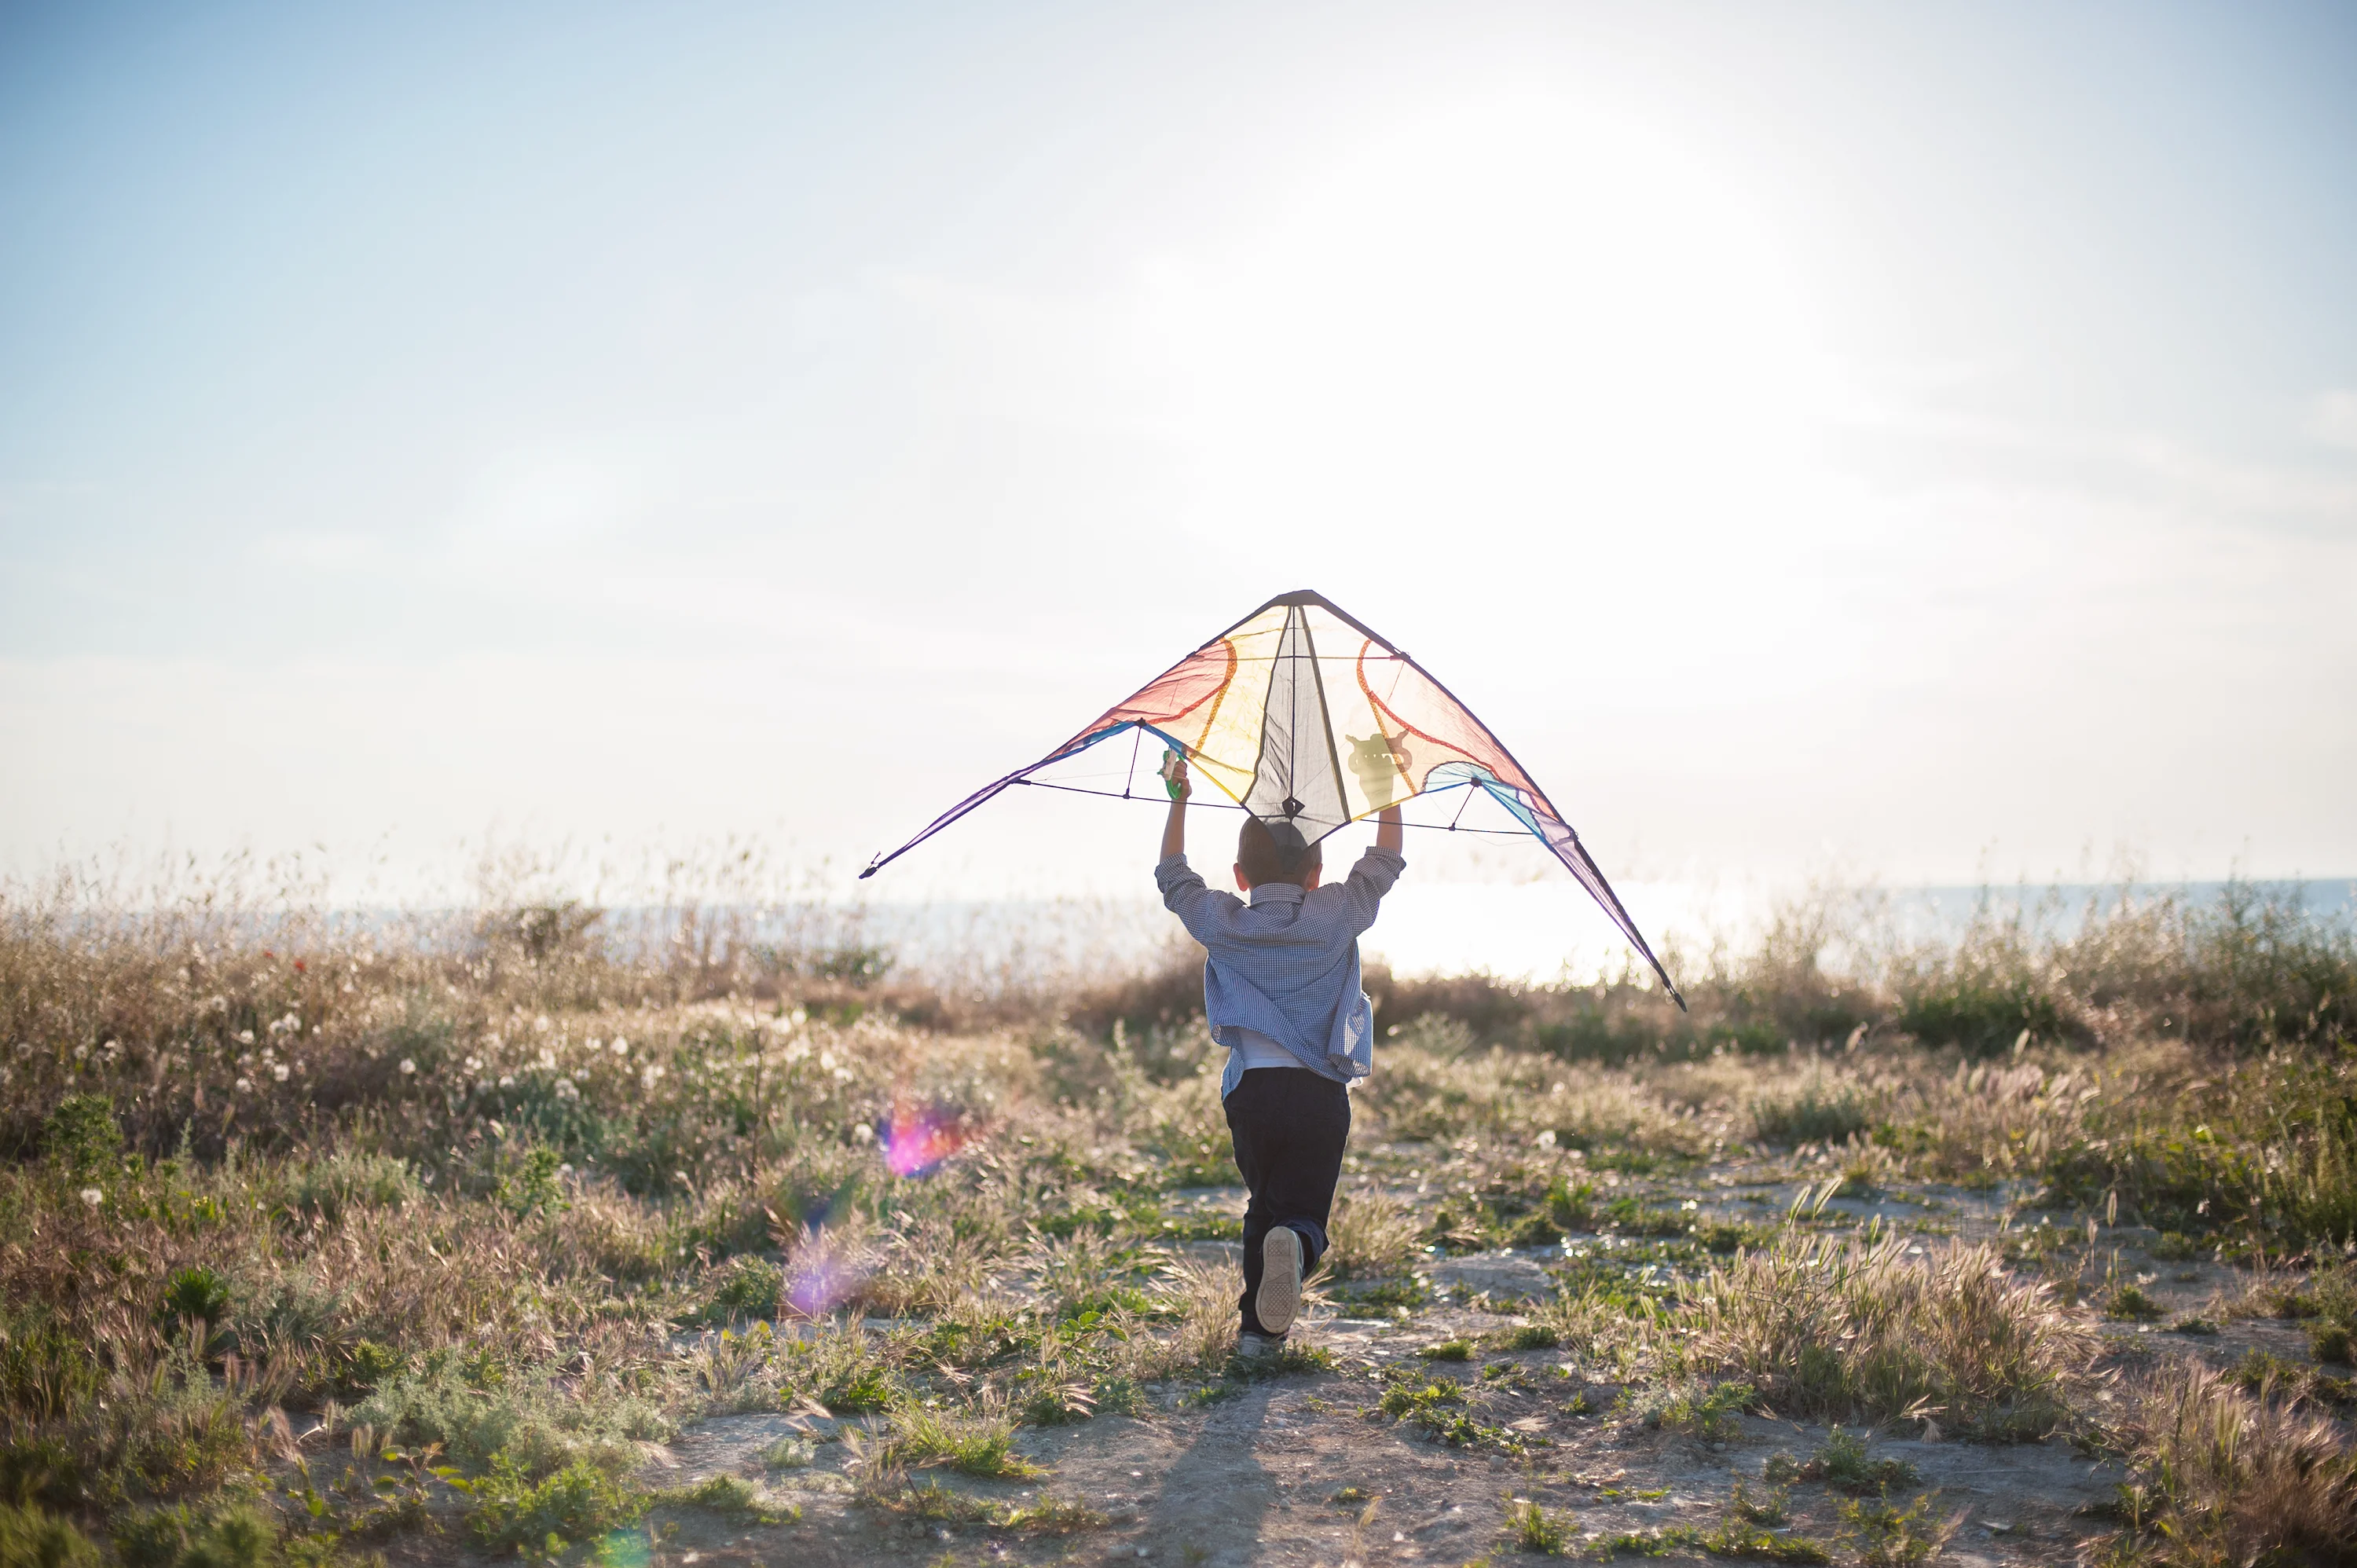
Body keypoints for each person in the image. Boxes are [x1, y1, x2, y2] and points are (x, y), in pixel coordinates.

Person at [1153, 757, 1406, 1358]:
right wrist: (1383, 792)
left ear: (1240, 876)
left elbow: (1173, 877)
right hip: (1318, 1093)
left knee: (1262, 1205)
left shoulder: (1224, 920)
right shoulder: (1336, 912)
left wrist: (1179, 799)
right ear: (1316, 875)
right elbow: (1384, 861)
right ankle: (1295, 1244)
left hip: (1252, 1094)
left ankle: (1257, 1336)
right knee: (1302, 1212)